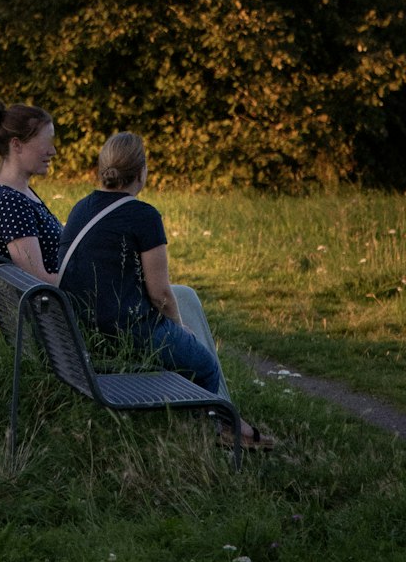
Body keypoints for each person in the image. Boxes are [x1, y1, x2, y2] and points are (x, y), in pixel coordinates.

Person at [56, 130, 274, 448]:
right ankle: (220, 435)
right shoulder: (144, 215)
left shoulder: (81, 207)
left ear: (102, 169)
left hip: (83, 328)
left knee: (188, 344)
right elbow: (160, 294)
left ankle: (224, 425)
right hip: (124, 332)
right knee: (203, 364)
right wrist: (179, 328)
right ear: (142, 172)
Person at [0, 101, 63, 281]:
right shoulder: (10, 203)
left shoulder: (15, 192)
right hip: (50, 306)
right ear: (16, 145)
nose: (53, 151)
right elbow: (35, 278)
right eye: (45, 143)